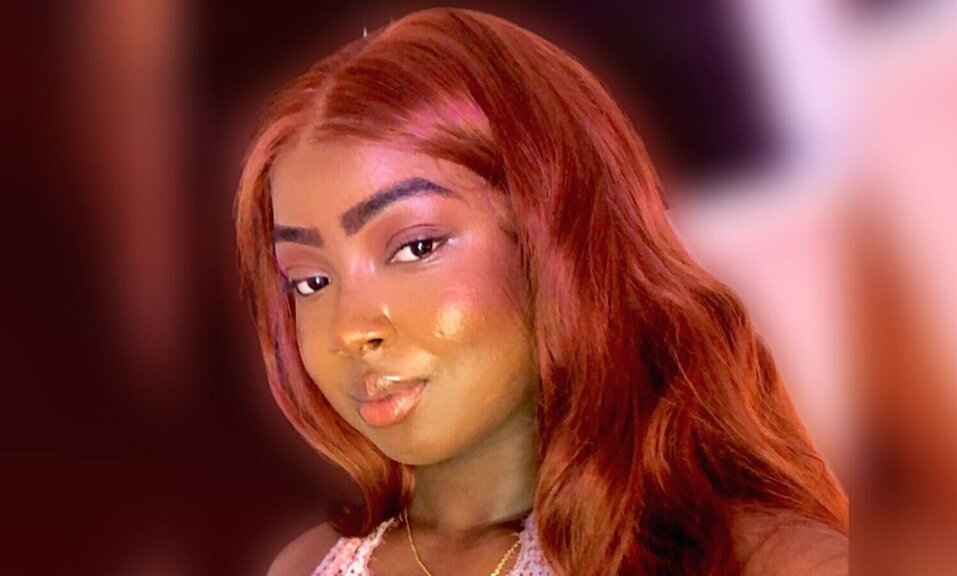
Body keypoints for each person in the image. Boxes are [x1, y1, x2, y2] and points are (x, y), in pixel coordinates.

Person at [234, 8, 849, 575]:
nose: (350, 329)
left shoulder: (771, 562)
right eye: (310, 281)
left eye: (416, 247)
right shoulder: (306, 566)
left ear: (554, 236)